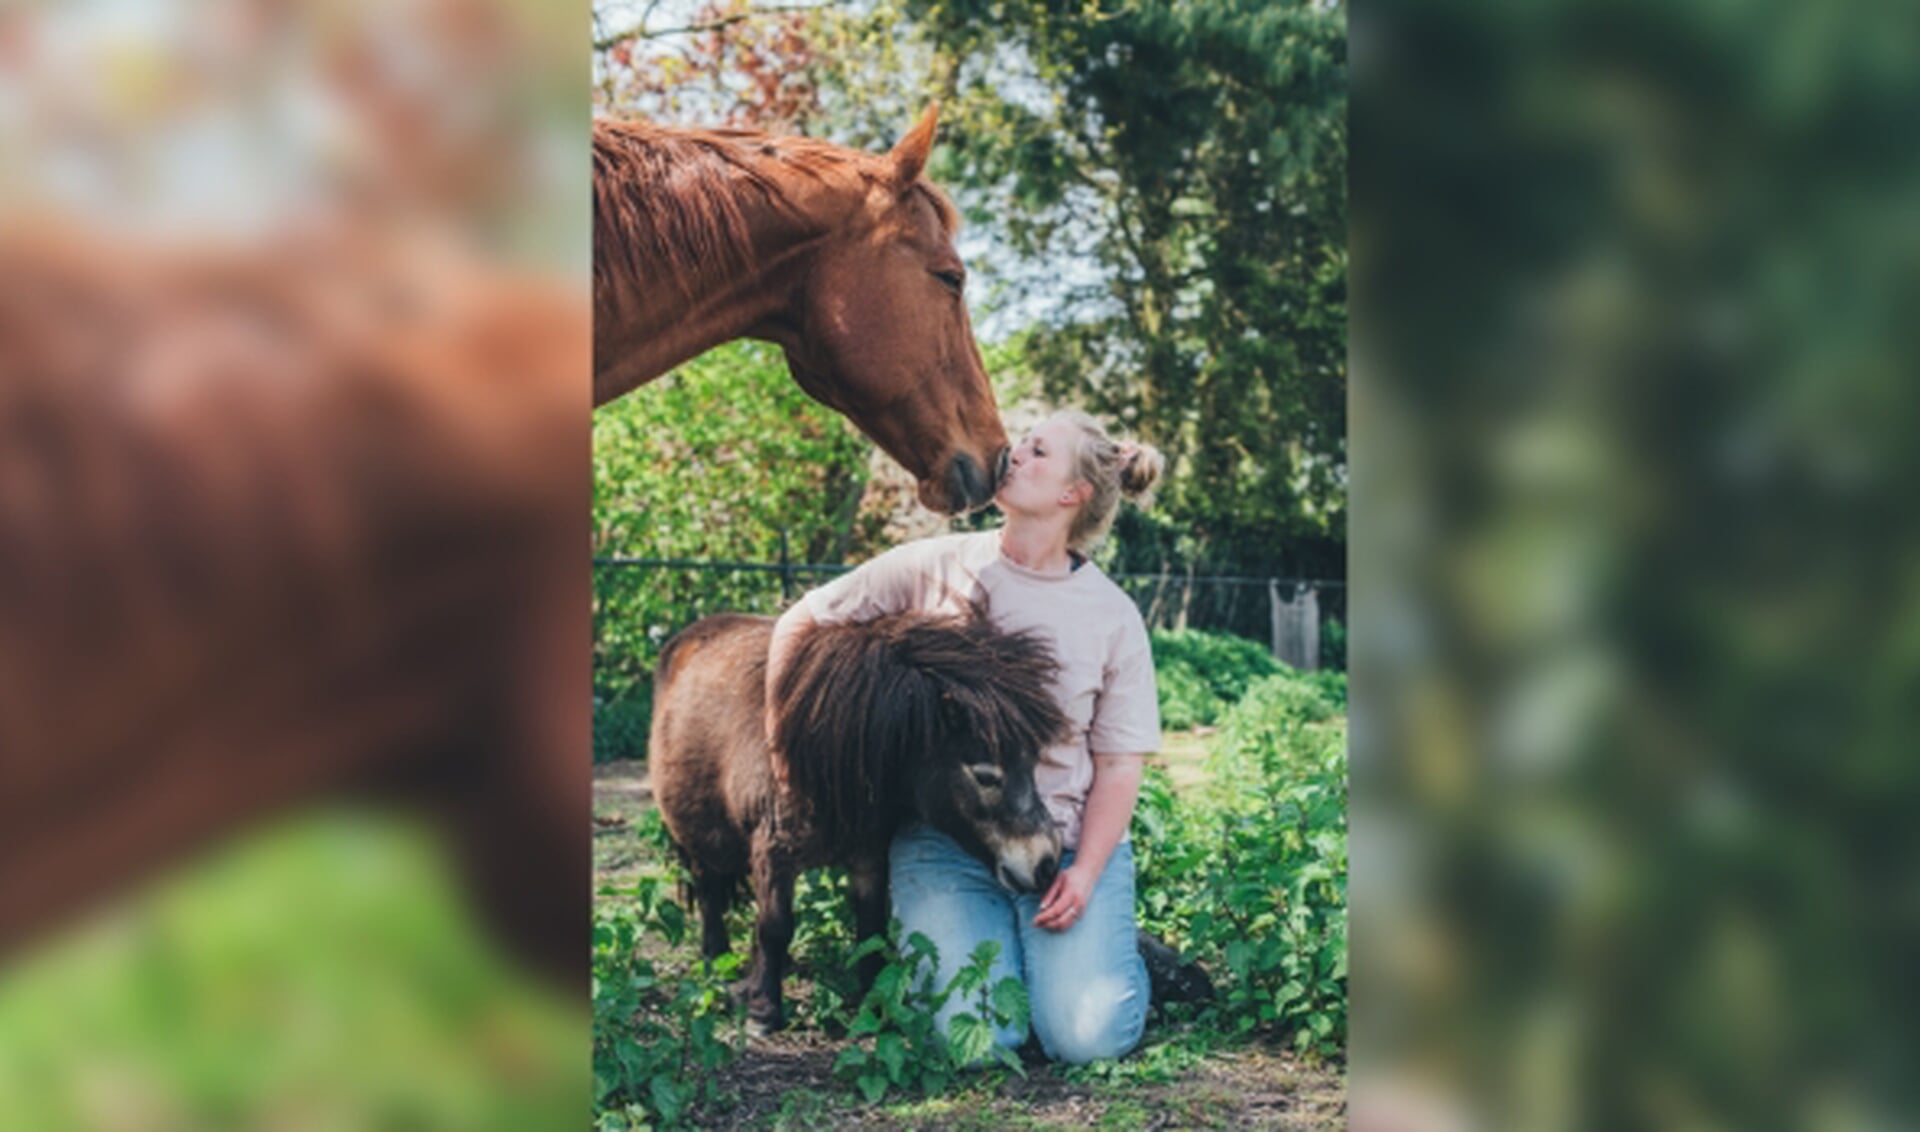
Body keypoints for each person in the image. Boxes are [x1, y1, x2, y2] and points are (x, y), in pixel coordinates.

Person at [764, 408, 1166, 1065]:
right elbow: (799, 623)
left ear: (1074, 495)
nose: (1014, 454)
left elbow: (1120, 763)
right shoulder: (929, 565)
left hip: (1060, 847)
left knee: (1086, 1039)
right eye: (1022, 442)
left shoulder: (1113, 617)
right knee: (972, 1042)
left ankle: (1122, 960)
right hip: (946, 843)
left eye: (1038, 452)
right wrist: (785, 753)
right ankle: (1021, 951)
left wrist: (1087, 873)